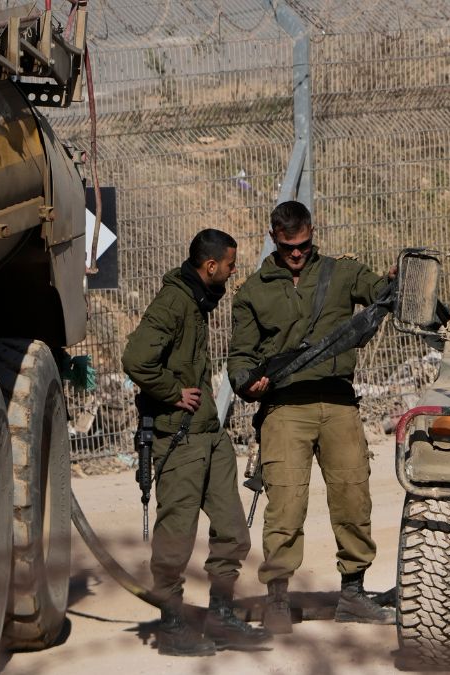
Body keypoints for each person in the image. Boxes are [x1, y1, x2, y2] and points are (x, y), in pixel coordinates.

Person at [228, 201, 396, 634]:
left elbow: (381, 291)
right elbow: (241, 357)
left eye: (303, 245)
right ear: (274, 238)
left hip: (338, 403)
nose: (297, 254)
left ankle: (354, 594)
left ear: (311, 233)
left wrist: (396, 279)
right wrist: (247, 382)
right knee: (285, 505)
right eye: (288, 248)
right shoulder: (253, 291)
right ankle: (279, 599)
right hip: (285, 408)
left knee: (353, 497)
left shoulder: (340, 273)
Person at [122, 229, 270, 656]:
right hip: (180, 437)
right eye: (229, 265)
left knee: (233, 533)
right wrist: (172, 391)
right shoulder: (174, 302)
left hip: (208, 435)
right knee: (176, 536)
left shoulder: (196, 301)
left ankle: (221, 618)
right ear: (210, 267)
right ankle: (172, 626)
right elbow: (135, 359)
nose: (232, 271)